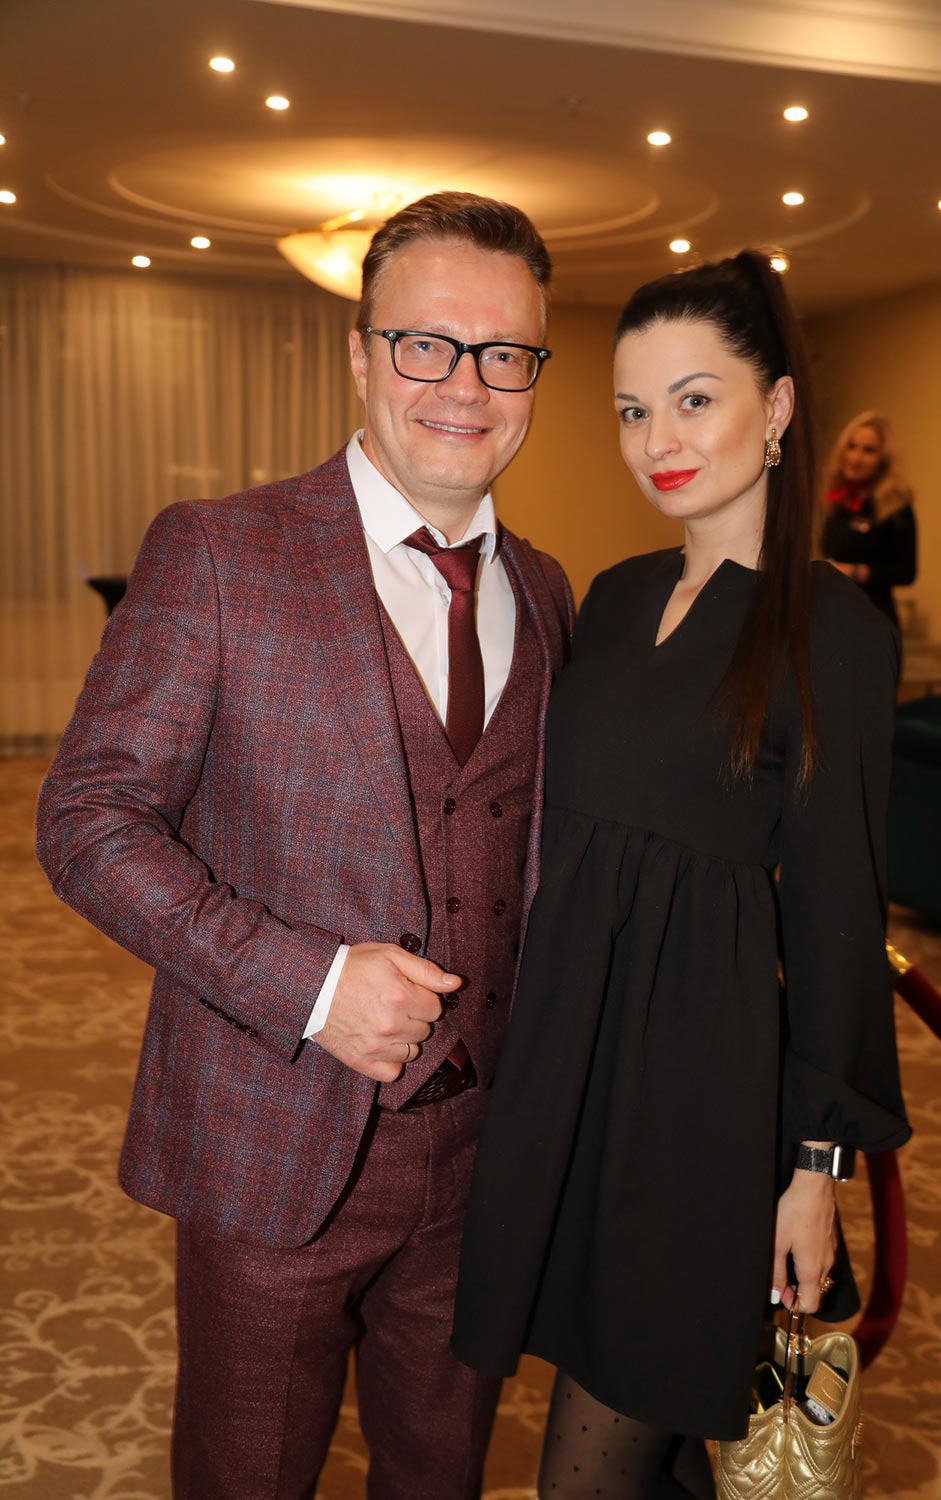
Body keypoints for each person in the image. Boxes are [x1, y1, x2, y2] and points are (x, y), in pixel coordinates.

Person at [35, 190, 573, 1500]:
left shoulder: (549, 588)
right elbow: (88, 818)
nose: (465, 384)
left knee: (439, 1474)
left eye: (505, 352)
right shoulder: (221, 551)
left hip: (486, 1157)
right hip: (273, 1144)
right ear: (360, 355)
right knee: (248, 1475)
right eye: (425, 343)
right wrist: (315, 985)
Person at [452, 252, 911, 1498]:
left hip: (700, 1107)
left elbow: (835, 915)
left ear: (775, 408)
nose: (657, 439)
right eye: (631, 408)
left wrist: (814, 1173)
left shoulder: (831, 632)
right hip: (574, 1072)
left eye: (694, 399)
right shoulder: (612, 597)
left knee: (592, 1465)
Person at [820, 410, 917, 628]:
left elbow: (906, 572)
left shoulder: (896, 505)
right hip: (835, 614)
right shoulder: (836, 501)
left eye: (868, 450)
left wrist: (853, 571)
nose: (855, 458)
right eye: (851, 446)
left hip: (874, 617)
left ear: (883, 458)